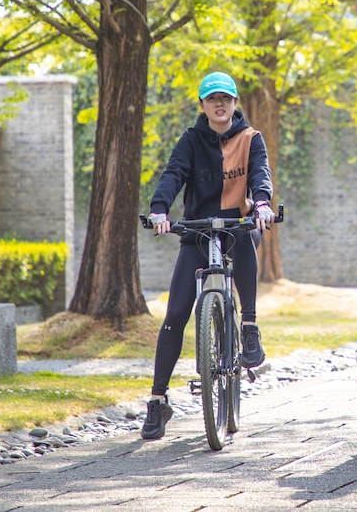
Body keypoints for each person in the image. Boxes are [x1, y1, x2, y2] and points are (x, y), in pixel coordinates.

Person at [141, 71, 275, 440]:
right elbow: (173, 175)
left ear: (235, 103)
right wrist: (159, 210)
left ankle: (248, 326)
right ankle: (157, 400)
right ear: (202, 105)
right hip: (198, 232)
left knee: (246, 233)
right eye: (212, 98)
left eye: (226, 98)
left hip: (236, 228)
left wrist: (261, 204)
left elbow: (261, 174)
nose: (220, 104)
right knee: (175, 314)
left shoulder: (251, 139)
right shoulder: (191, 140)